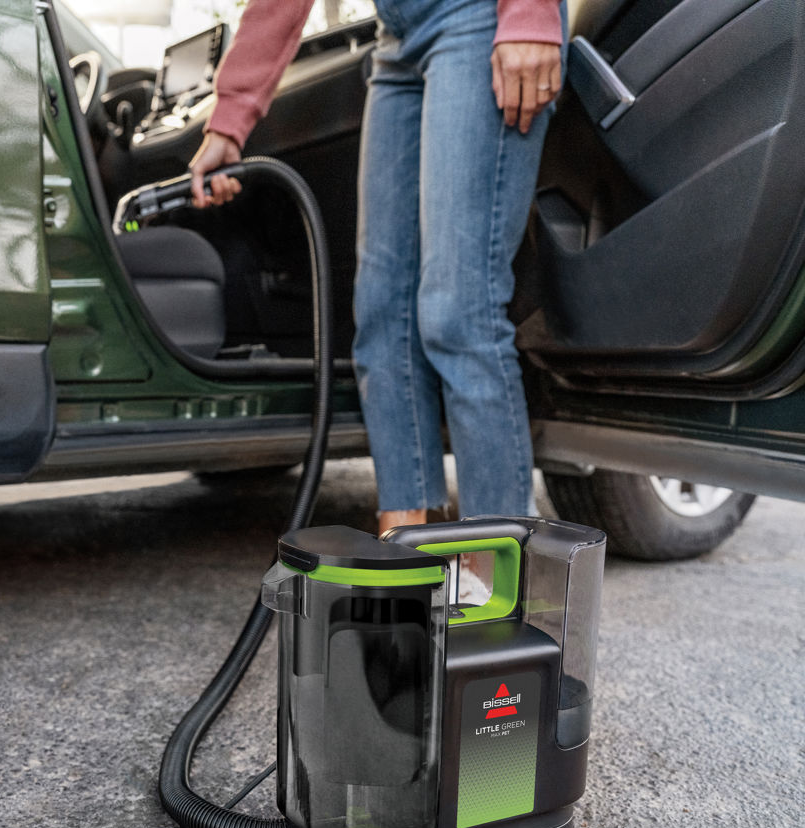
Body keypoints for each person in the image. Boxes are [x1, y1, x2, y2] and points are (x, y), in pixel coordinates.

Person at [190, 0, 565, 535]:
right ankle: (404, 547)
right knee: (382, 314)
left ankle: (497, 563)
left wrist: (529, 14)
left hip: (478, 18)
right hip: (397, 37)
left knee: (459, 312)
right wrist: (228, 123)